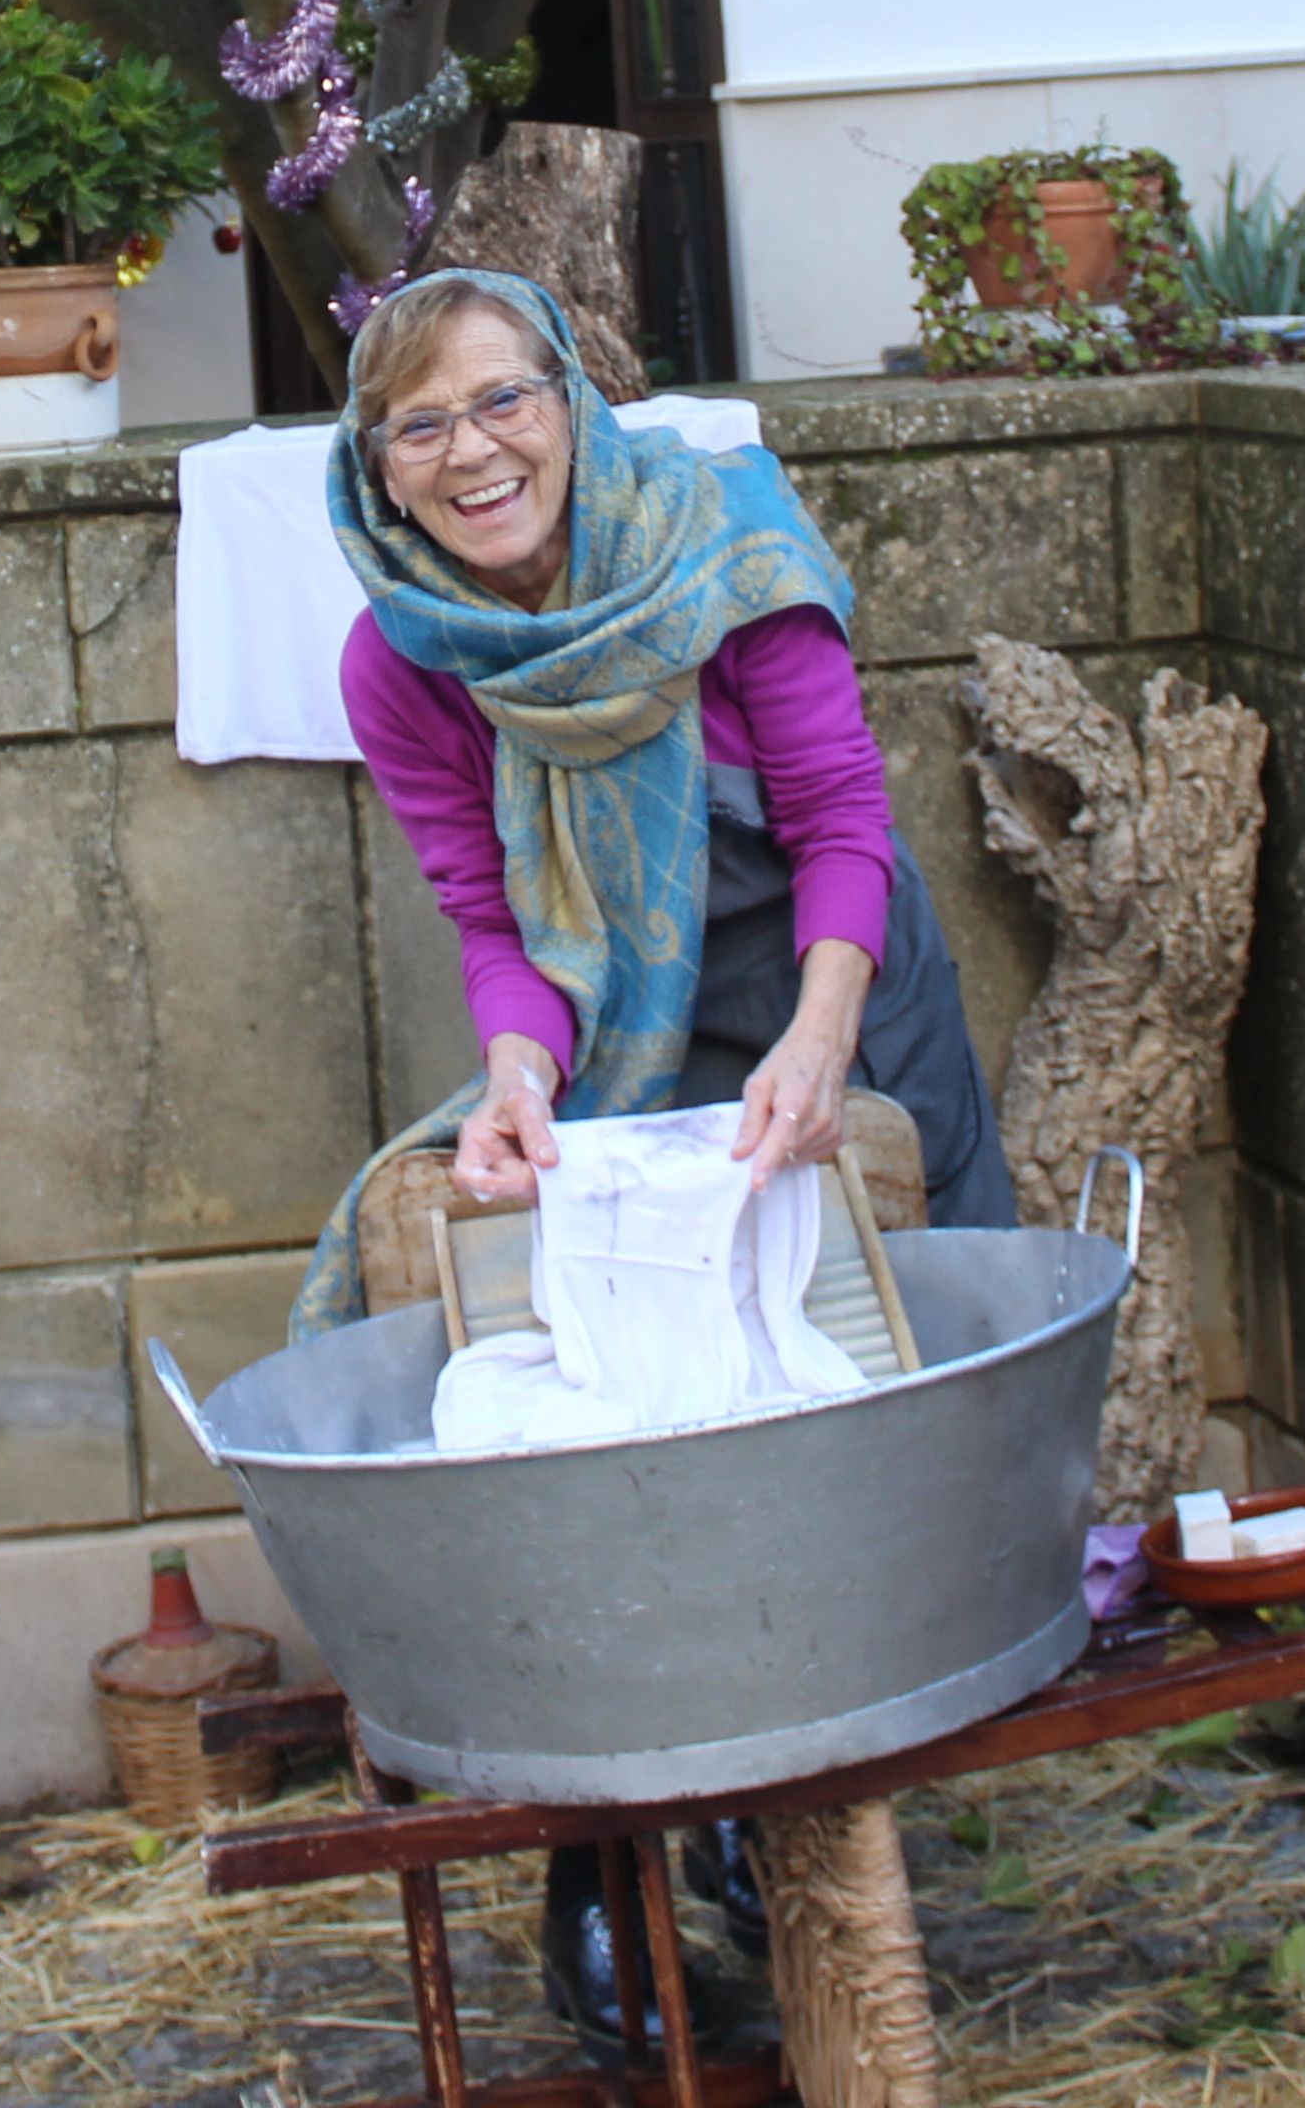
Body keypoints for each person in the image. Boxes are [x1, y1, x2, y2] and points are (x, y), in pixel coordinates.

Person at [292, 264, 1013, 2043]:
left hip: (830, 981)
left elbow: (839, 820)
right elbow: (490, 915)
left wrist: (821, 1045)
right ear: (377, 469)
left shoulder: (721, 549)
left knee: (853, 1391)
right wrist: (517, 1073)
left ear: (568, 398)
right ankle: (606, 1863)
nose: (472, 451)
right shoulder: (404, 654)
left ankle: (804, 1832)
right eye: (418, 424)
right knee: (628, 1422)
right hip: (621, 1021)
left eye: (501, 398)